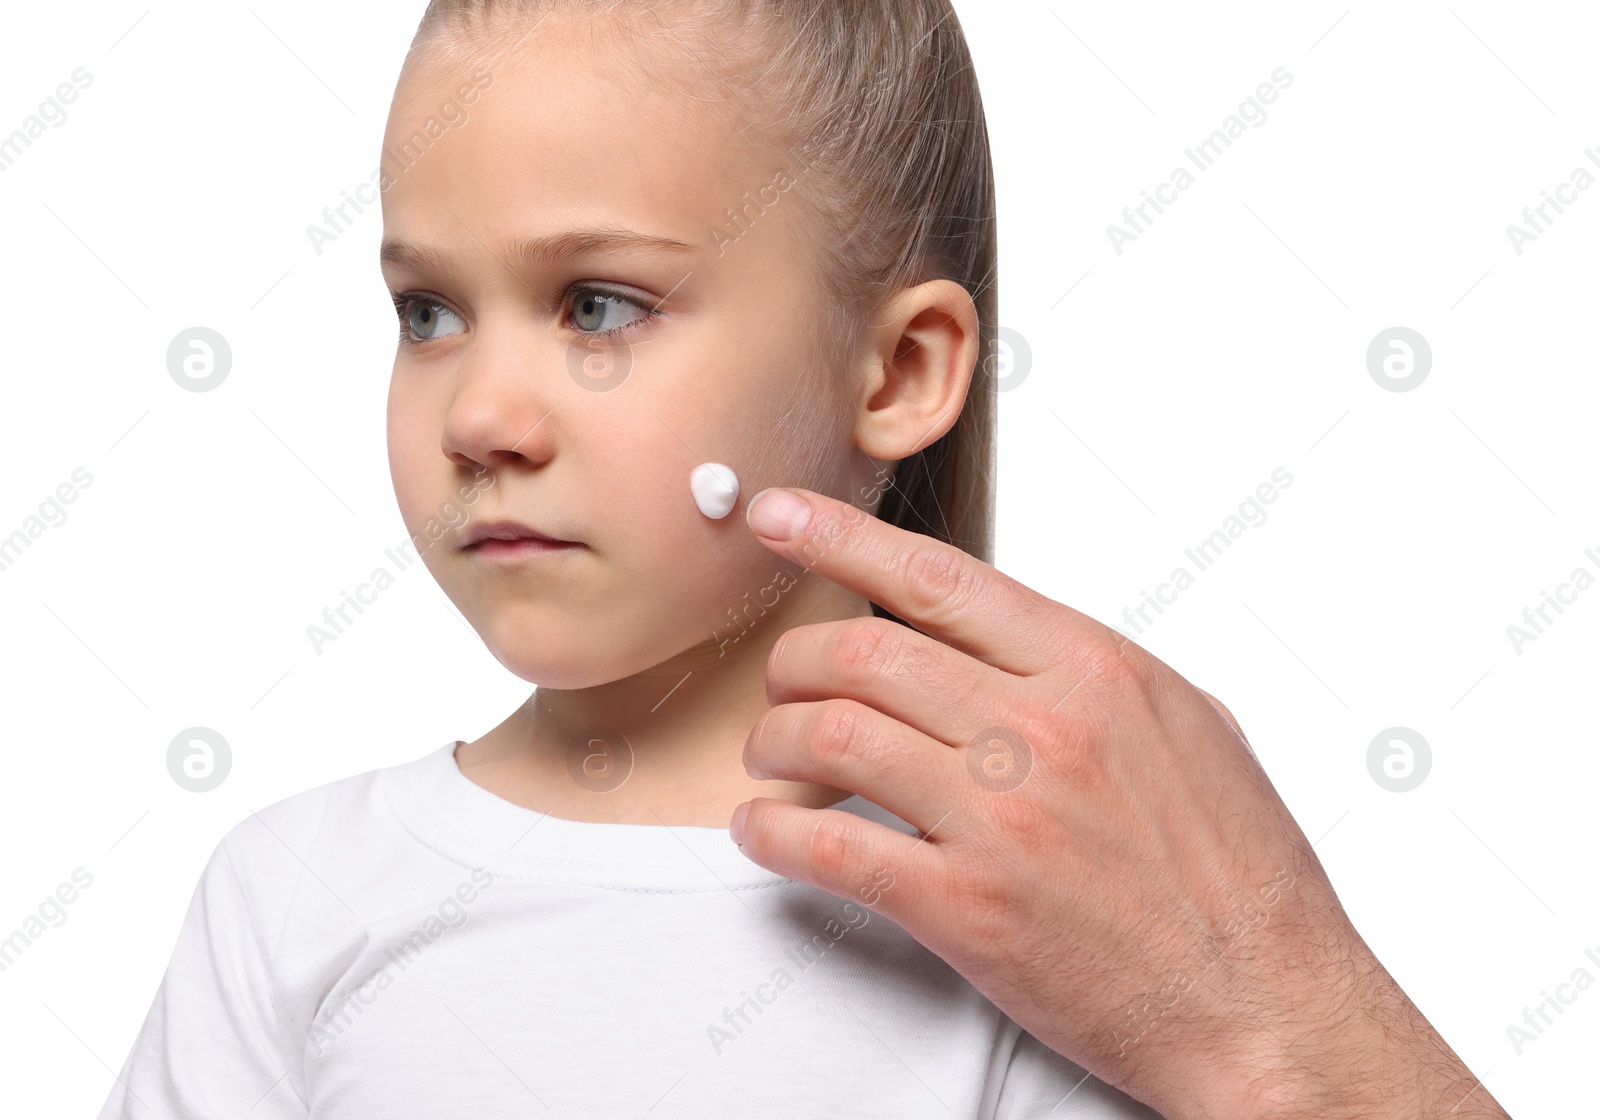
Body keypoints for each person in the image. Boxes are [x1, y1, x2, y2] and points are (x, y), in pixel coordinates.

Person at [96, 2, 1506, 1117]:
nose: (478, 417)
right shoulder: (289, 898)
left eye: (599, 303)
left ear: (894, 370)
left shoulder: (1026, 904)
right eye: (427, 314)